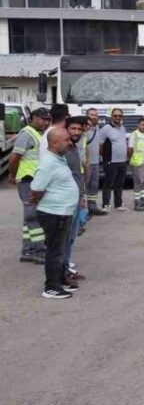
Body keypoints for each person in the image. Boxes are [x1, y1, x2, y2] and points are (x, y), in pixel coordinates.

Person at [29, 128, 81, 299]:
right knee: (55, 252)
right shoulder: (48, 163)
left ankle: (60, 280)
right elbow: (36, 188)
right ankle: (51, 287)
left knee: (60, 249)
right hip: (54, 214)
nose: (69, 142)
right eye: (65, 140)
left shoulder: (59, 158)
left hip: (62, 212)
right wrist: (41, 197)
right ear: (54, 143)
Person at [11, 107, 50, 263]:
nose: (45, 122)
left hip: (34, 179)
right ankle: (39, 252)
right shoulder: (26, 134)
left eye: (47, 119)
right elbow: (14, 158)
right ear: (33, 117)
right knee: (33, 216)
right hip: (28, 180)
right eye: (42, 119)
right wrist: (12, 175)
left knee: (29, 218)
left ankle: (27, 251)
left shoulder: (36, 134)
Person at [61, 116, 87, 287]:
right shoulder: (62, 149)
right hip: (64, 200)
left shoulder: (75, 148)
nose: (77, 132)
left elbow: (78, 174)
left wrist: (82, 195)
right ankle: (61, 275)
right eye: (73, 129)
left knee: (70, 238)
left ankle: (66, 269)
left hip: (76, 198)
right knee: (63, 239)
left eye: (79, 129)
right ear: (66, 129)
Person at [100, 108, 129, 211]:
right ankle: (106, 205)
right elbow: (101, 144)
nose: (117, 117)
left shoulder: (123, 128)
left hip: (122, 161)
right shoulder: (106, 129)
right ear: (112, 116)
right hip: (111, 161)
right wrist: (105, 157)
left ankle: (118, 204)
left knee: (119, 184)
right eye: (115, 115)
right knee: (108, 184)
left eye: (120, 116)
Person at [81, 108, 107, 216]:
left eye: (96, 115)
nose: (94, 116)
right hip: (85, 164)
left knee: (94, 186)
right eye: (91, 114)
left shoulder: (97, 128)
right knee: (83, 187)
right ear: (87, 116)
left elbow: (100, 144)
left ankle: (92, 207)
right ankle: (82, 211)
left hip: (96, 162)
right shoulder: (83, 130)